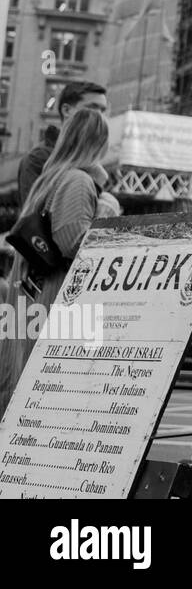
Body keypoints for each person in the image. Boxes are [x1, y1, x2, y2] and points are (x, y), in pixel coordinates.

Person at [0, 108, 119, 417]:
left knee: (22, 382)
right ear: (99, 144)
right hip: (58, 296)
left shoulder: (50, 178)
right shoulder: (77, 180)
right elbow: (73, 241)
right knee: (55, 391)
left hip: (29, 293)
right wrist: (107, 210)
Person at [17, 81, 108, 208]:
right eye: (92, 108)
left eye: (103, 110)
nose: (99, 115)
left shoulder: (92, 159)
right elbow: (36, 214)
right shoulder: (38, 158)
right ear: (66, 110)